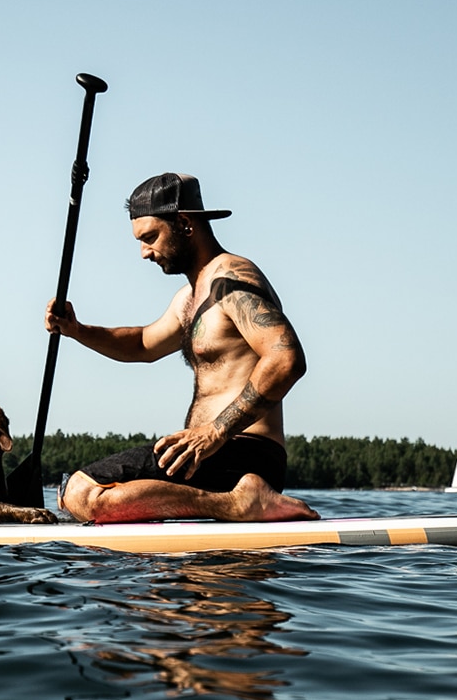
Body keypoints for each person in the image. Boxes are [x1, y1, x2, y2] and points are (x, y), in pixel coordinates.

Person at [46, 173, 318, 524]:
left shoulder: (230, 282)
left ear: (185, 224)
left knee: (80, 492)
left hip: (243, 451)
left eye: (150, 238)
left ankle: (242, 503)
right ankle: (237, 501)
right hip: (210, 456)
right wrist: (77, 330)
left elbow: (286, 359)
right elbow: (143, 344)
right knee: (84, 496)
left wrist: (215, 431)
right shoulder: (190, 297)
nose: (144, 252)